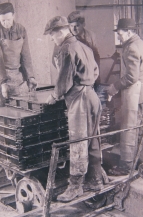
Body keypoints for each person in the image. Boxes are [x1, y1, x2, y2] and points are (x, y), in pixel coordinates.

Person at [44, 16, 103, 202]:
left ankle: (75, 186)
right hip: (92, 95)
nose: (52, 40)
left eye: (53, 36)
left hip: (79, 99)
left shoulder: (66, 49)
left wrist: (54, 96)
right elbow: (95, 71)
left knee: (78, 141)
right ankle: (95, 179)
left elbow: (64, 79)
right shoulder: (85, 47)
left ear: (61, 32)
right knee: (93, 138)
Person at [107, 18, 143, 175]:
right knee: (142, 128)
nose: (119, 37)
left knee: (129, 128)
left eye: (120, 33)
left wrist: (114, 87)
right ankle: (142, 161)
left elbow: (132, 77)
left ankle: (126, 166)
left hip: (135, 94)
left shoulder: (131, 48)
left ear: (129, 32)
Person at [0, 2, 37, 110]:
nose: (6, 23)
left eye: (8, 19)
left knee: (18, 108)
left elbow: (25, 55)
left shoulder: (21, 30)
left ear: (13, 15)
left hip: (16, 74)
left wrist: (30, 77)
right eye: (3, 20)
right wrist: (3, 82)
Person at [52, 11, 100, 89]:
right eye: (71, 26)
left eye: (77, 25)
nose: (73, 29)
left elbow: (96, 56)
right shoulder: (63, 38)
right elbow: (55, 59)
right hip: (72, 79)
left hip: (89, 76)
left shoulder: (91, 36)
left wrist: (94, 76)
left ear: (83, 24)